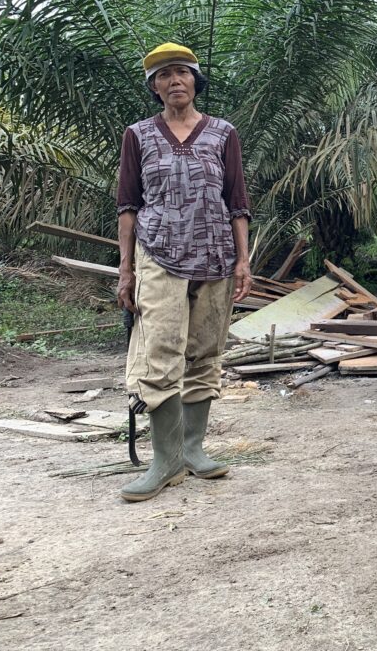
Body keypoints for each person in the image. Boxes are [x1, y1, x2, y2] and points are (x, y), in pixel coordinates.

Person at [115, 43, 253, 502]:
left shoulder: (222, 134)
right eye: (163, 76)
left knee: (206, 353)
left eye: (182, 73)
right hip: (159, 257)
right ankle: (165, 461)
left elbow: (237, 203)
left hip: (215, 259)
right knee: (160, 354)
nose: (174, 81)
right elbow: (128, 206)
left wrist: (243, 260)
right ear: (154, 88)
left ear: (195, 81)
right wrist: (126, 270)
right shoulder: (138, 135)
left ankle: (193, 449)